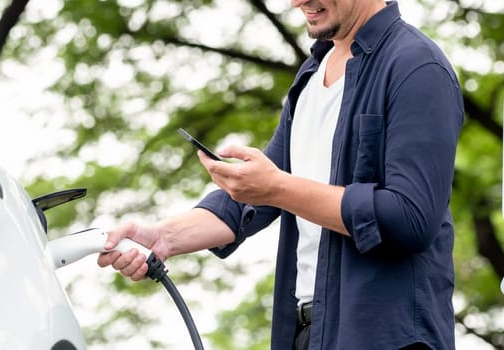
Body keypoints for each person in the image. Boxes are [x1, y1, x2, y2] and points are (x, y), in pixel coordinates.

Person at [97, 0, 464, 349]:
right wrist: (163, 238)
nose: (296, 2)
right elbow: (251, 197)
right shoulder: (310, 76)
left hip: (385, 337)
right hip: (306, 333)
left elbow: (410, 218)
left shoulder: (417, 66)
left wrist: (277, 188)